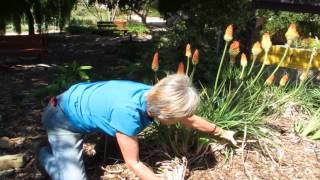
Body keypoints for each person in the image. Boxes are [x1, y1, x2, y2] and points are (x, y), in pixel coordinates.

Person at [38, 74, 236, 180]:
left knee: (116, 137)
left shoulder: (154, 95)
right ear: (165, 114)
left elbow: (190, 119)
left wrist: (221, 132)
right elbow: (134, 163)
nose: (181, 120)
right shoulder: (128, 115)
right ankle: (44, 155)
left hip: (82, 106)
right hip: (62, 119)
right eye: (176, 118)